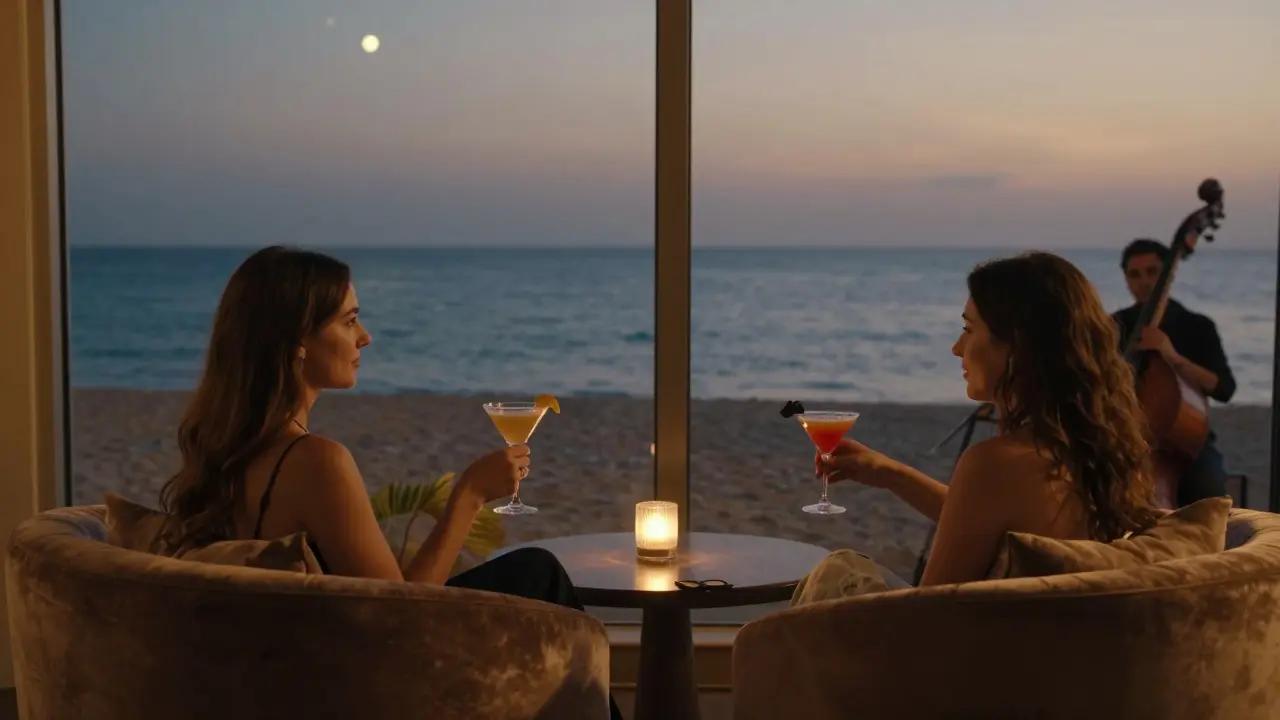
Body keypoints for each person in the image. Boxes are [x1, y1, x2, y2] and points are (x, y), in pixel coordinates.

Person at [156, 245, 622, 719]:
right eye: (349, 321)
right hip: (364, 684)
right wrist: (471, 494)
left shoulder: (229, 452)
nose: (366, 338)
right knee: (538, 573)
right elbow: (403, 613)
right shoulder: (315, 461)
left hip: (293, 673)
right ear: (297, 341)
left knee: (529, 578)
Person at [792, 251, 1161, 603]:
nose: (957, 348)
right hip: (1051, 646)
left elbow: (931, 610)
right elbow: (988, 529)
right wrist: (889, 473)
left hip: (984, 659)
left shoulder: (997, 462)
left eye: (969, 329)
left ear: (1017, 346)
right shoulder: (1088, 446)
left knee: (837, 573)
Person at [1112, 238, 1237, 506]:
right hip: (1125, 438)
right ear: (1126, 279)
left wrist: (1173, 357)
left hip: (1185, 444)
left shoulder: (1197, 326)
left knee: (1209, 490)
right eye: (1134, 274)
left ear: (1167, 276)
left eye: (1152, 272)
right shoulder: (1114, 326)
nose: (1143, 281)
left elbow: (1224, 389)